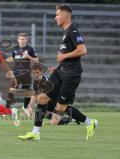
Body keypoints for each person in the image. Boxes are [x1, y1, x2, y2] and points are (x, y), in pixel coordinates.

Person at [18, 4, 98, 141]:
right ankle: (35, 132)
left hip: (71, 75)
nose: (55, 17)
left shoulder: (73, 31)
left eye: (57, 14)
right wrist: (59, 65)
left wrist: (63, 57)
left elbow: (83, 50)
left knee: (57, 115)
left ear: (66, 15)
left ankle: (90, 123)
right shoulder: (66, 32)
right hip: (61, 71)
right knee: (42, 97)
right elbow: (68, 55)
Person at [5, 33, 38, 117]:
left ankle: (25, 108)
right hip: (16, 73)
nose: (22, 40)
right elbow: (13, 58)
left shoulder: (30, 49)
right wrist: (4, 61)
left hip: (26, 73)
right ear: (18, 40)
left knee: (27, 91)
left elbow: (36, 60)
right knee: (12, 89)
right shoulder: (15, 49)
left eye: (24, 39)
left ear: (26, 40)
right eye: (20, 39)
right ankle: (6, 109)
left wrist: (28, 56)